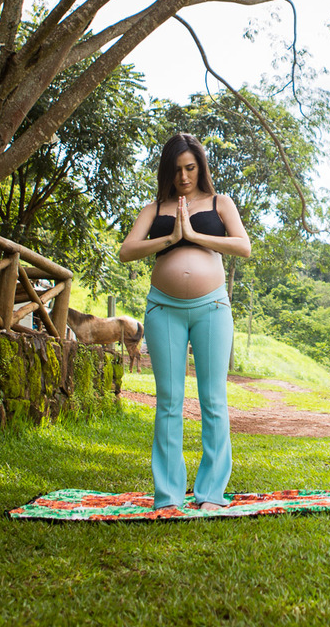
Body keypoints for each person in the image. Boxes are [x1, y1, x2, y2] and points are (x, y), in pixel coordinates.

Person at [119, 133, 251, 511]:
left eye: (190, 168)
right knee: (169, 402)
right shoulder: (155, 208)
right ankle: (169, 496)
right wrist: (171, 238)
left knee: (213, 400)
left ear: (201, 167)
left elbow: (243, 246)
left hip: (212, 308)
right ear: (167, 170)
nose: (183, 176)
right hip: (164, 309)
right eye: (176, 169)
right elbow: (127, 251)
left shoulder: (219, 203)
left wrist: (194, 234)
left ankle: (210, 493)